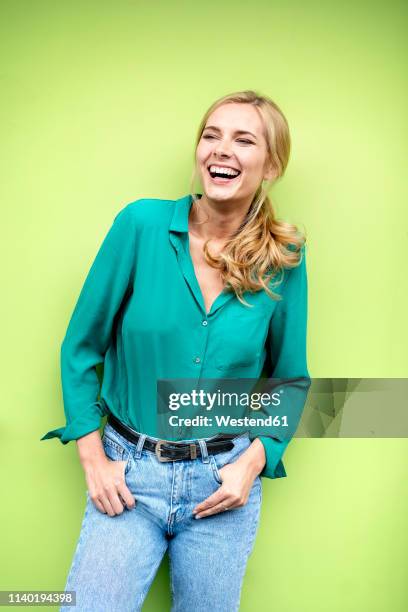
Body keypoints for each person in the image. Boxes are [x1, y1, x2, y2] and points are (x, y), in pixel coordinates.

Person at [41, 89, 310, 612]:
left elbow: (289, 379)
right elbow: (81, 347)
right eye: (210, 135)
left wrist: (254, 462)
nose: (220, 149)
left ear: (271, 164)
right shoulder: (140, 226)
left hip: (221, 484)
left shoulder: (285, 257)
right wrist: (92, 455)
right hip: (129, 476)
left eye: (243, 139)